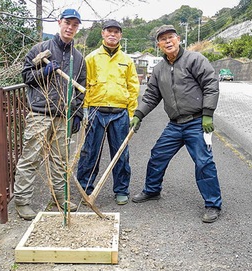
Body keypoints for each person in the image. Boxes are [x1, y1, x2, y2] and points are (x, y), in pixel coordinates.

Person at [130, 25, 222, 223]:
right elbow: (152, 96)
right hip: (174, 124)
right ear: (159, 45)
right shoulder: (158, 69)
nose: (168, 41)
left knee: (203, 162)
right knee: (158, 155)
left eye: (171, 37)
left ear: (178, 39)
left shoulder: (195, 60)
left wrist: (208, 114)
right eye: (163, 39)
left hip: (196, 121)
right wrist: (138, 114)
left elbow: (211, 84)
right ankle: (152, 190)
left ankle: (213, 204)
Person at [14, 9, 86, 220]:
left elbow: (81, 87)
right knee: (31, 157)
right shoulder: (40, 49)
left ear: (77, 28)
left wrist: (77, 114)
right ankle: (22, 201)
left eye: (74, 25)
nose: (70, 27)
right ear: (59, 22)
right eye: (67, 23)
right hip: (39, 113)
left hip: (64, 115)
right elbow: (26, 76)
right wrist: (43, 72)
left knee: (61, 160)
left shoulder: (79, 58)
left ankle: (60, 198)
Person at [76, 19, 140, 205]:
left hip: (120, 112)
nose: (112, 34)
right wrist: (85, 109)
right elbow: (84, 85)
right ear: (103, 33)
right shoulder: (91, 58)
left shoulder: (127, 61)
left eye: (116, 32)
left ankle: (121, 189)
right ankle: (85, 188)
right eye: (109, 31)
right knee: (90, 152)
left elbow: (133, 87)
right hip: (96, 110)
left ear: (120, 35)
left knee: (120, 153)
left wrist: (131, 112)